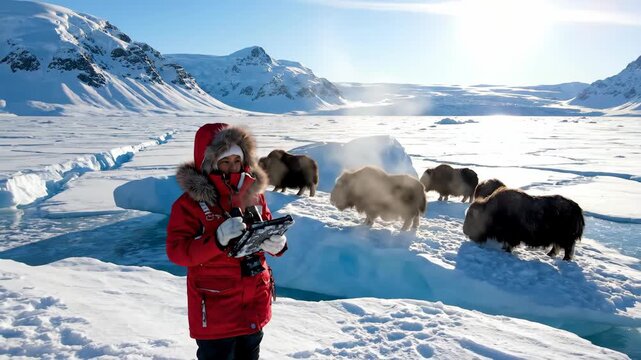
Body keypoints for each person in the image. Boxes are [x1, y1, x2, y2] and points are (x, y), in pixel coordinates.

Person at [166, 123, 287, 360]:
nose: (232, 167)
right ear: (208, 163)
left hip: (254, 302)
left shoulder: (254, 194)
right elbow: (177, 252)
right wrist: (217, 241)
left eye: (236, 160)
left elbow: (267, 226)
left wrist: (278, 244)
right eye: (224, 161)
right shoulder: (189, 204)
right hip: (215, 310)